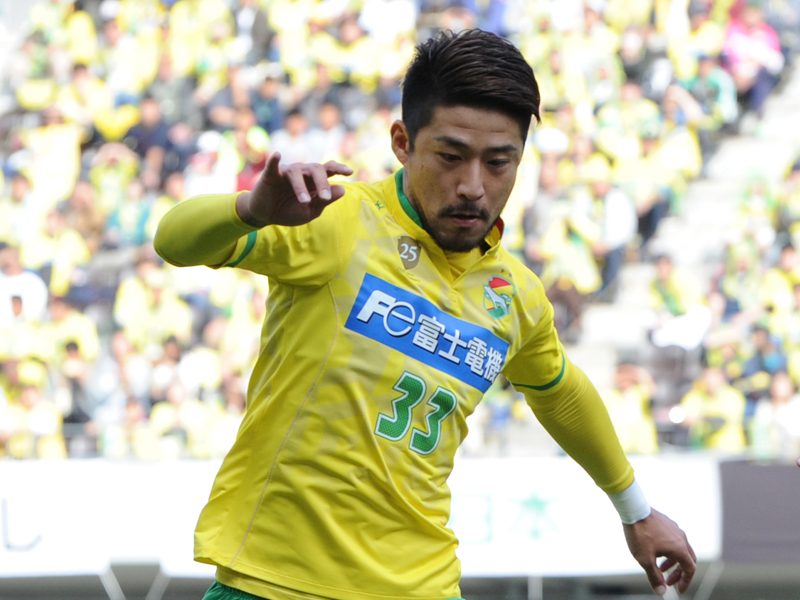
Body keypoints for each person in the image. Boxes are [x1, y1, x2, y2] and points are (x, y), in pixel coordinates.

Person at [155, 29, 695, 600]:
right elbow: (173, 241)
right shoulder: (335, 219)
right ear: (403, 142)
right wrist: (249, 210)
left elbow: (560, 392)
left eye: (499, 163)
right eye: (451, 157)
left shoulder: (516, 295)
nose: (473, 187)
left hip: (422, 585)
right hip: (275, 581)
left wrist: (636, 511)